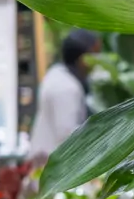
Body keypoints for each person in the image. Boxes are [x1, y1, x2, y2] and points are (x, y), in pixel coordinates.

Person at [28, 29, 101, 167]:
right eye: (96, 54)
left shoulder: (57, 75)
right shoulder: (66, 88)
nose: (99, 60)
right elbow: (66, 135)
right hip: (53, 166)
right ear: (84, 58)